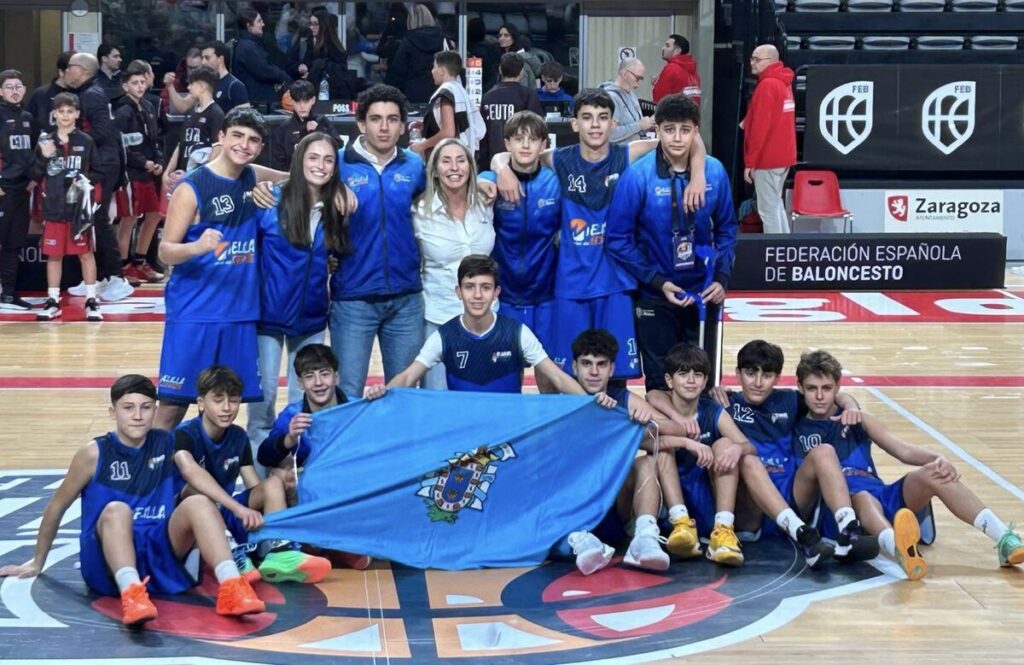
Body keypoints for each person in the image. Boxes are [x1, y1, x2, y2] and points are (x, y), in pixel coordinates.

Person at [0, 375, 265, 625]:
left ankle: (231, 587)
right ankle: (131, 593)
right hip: (105, 557)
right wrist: (37, 561)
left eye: (146, 407)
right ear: (113, 412)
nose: (137, 416)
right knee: (118, 510)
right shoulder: (94, 453)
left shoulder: (167, 442)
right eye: (128, 408)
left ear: (155, 410)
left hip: (156, 549)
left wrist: (236, 507)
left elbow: (192, 471)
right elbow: (57, 507)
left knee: (199, 502)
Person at [492, 89, 705, 383]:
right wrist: (501, 168)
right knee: (566, 376)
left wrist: (699, 175)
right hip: (571, 286)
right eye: (587, 118)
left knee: (614, 374)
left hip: (616, 284)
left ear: (613, 124)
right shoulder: (558, 159)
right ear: (574, 124)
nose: (595, 125)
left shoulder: (627, 154)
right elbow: (508, 154)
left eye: (603, 118)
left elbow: (689, 141)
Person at [794, 349, 1024, 577]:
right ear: (801, 388)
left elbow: (902, 449)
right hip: (842, 516)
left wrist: (937, 459)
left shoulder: (858, 419)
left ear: (837, 387)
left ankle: (1004, 538)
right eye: (812, 389)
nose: (820, 396)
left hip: (880, 494)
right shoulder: (794, 425)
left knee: (934, 473)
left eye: (827, 388)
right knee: (863, 498)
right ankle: (899, 548)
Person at [675, 339, 866, 567]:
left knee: (824, 451)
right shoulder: (723, 402)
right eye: (750, 373)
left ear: (777, 378)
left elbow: (832, 394)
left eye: (766, 375)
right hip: (749, 510)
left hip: (791, 496)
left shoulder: (790, 400)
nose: (757, 382)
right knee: (739, 453)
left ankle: (849, 531)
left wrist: (851, 405)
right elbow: (658, 396)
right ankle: (799, 534)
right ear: (737, 374)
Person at [155, 107, 286, 430]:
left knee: (220, 410)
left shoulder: (252, 175)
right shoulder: (192, 187)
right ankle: (148, 475)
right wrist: (197, 247)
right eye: (238, 136)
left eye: (253, 140)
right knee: (172, 407)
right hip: (195, 313)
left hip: (240, 314)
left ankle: (202, 477)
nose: (245, 145)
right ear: (221, 137)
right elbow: (164, 251)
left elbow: (298, 177)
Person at [605, 94, 735, 391]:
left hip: (703, 293)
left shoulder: (713, 171)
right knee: (660, 381)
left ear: (696, 132)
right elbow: (617, 239)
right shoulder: (637, 176)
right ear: (658, 131)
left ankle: (701, 437)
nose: (677, 138)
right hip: (655, 295)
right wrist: (656, 280)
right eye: (669, 129)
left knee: (702, 381)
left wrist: (722, 277)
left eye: (685, 130)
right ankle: (666, 436)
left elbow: (727, 228)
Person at [174, 365, 332, 584]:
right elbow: (190, 472)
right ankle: (230, 555)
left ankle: (278, 551)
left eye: (234, 400)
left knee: (273, 483)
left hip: (226, 512)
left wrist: (266, 510)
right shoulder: (183, 435)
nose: (227, 408)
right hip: (190, 523)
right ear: (201, 403)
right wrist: (238, 508)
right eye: (218, 400)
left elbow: (255, 486)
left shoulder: (238, 436)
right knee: (197, 491)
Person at [327, 84, 426, 399]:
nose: (384, 127)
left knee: (404, 395)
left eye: (392, 119)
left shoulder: (415, 165)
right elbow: (297, 188)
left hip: (406, 299)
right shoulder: (336, 164)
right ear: (361, 123)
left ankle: (405, 450)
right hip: (353, 299)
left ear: (402, 125)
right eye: (376, 119)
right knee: (348, 393)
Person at [249, 132, 347, 445]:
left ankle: (299, 481)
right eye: (314, 157)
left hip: (311, 317)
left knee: (304, 406)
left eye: (328, 159)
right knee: (261, 407)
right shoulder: (270, 200)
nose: (321, 165)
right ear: (300, 160)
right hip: (267, 317)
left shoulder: (335, 206)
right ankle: (262, 485)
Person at [372, 254, 590, 395]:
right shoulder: (444, 336)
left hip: (508, 436)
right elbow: (408, 376)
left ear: (496, 293)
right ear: (458, 292)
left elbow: (558, 378)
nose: (477, 295)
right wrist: (382, 391)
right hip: (465, 439)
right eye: (469, 287)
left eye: (485, 287)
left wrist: (593, 402)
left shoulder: (518, 333)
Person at [257, 344, 372, 571]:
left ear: (336, 377)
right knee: (280, 475)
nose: (318, 383)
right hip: (309, 498)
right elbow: (265, 455)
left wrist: (379, 403)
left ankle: (323, 544)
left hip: (344, 496)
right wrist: (288, 438)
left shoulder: (355, 410)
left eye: (324, 374)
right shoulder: (293, 414)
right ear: (300, 383)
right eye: (309, 376)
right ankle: (286, 547)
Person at [647, 342, 750, 566]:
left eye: (698, 374)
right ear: (669, 380)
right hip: (668, 493)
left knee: (725, 443)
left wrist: (737, 447)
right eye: (683, 374)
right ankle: (680, 522)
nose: (691, 380)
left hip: (704, 492)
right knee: (661, 447)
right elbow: (645, 441)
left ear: (705, 381)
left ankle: (723, 530)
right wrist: (685, 442)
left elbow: (747, 444)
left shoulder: (712, 410)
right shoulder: (657, 407)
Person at [485, 111, 560, 387]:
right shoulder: (490, 181)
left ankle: (549, 430)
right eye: (518, 139)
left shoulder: (556, 182)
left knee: (549, 375)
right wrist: (499, 169)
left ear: (543, 144)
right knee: (506, 378)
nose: (526, 145)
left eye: (533, 139)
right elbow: (479, 180)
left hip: (547, 295)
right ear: (507, 144)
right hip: (506, 297)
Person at [413, 138, 495, 389]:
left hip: (486, 321)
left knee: (482, 401)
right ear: (435, 170)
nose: (454, 167)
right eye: (445, 161)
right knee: (437, 401)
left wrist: (491, 175)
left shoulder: (486, 204)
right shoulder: (418, 212)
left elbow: (505, 164)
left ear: (471, 167)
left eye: (461, 160)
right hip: (438, 318)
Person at [63, 52, 134, 303]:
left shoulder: (91, 95)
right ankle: (101, 277)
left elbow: (104, 132)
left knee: (98, 219)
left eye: (69, 67)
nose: (65, 71)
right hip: (102, 162)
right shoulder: (90, 92)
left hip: (103, 165)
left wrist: (73, 138)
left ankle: (117, 278)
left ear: (82, 70)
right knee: (93, 220)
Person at [32, 92, 101, 321]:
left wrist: (83, 179)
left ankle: (92, 300)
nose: (65, 115)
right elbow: (34, 174)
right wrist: (44, 157)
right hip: (53, 207)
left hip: (79, 210)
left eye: (70, 111)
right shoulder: (45, 140)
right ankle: (53, 300)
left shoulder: (86, 141)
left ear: (77, 114)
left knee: (85, 254)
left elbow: (100, 172)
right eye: (61, 111)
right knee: (54, 255)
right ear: (54, 114)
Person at [114, 62, 165, 285]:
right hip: (131, 174)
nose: (140, 86)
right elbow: (123, 146)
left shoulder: (150, 106)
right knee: (129, 219)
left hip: (149, 171)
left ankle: (140, 261)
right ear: (125, 87)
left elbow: (156, 139)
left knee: (154, 215)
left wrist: (159, 161)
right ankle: (122, 267)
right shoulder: (123, 111)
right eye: (134, 83)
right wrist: (144, 163)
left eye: (143, 82)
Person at [741, 44, 796, 234]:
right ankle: (785, 250)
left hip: (768, 158)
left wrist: (750, 162)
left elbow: (761, 128)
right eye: (751, 59)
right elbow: (772, 116)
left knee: (767, 210)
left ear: (771, 61)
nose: (752, 63)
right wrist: (748, 120)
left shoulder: (767, 85)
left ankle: (774, 253)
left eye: (757, 60)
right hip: (783, 156)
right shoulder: (783, 83)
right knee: (776, 204)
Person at [162, 66, 224, 201]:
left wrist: (193, 175)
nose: (188, 88)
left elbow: (217, 153)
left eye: (191, 84)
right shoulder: (192, 112)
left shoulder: (216, 114)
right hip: (183, 177)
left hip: (201, 182)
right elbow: (181, 144)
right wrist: (167, 173)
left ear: (202, 87)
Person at [0, 69, 35, 310]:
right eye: (9, 87)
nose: (14, 91)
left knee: (14, 243)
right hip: (3, 188)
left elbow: (34, 152)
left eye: (18, 86)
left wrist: (34, 178)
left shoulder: (28, 118)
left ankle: (9, 294)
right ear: (1, 91)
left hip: (23, 189)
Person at [413, 51, 484, 159]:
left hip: (449, 155)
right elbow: (458, 122)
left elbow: (449, 132)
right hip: (464, 152)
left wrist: (423, 145)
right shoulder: (461, 91)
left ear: (441, 70)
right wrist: (429, 124)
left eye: (434, 67)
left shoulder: (446, 93)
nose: (432, 71)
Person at [478, 53, 543, 170]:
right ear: (521, 72)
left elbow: (481, 134)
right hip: (521, 161)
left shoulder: (487, 97)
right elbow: (538, 128)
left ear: (500, 70)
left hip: (491, 162)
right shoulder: (527, 95)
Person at [384, 4, 451, 104]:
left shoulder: (407, 41)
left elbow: (398, 70)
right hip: (440, 91)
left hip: (413, 93)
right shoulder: (442, 38)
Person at [270, 79, 339, 171]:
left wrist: (320, 130)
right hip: (292, 179)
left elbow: (338, 145)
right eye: (298, 102)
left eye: (306, 101)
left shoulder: (322, 121)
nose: (302, 106)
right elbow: (278, 165)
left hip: (320, 174)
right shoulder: (284, 128)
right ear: (292, 102)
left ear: (313, 100)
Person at [232, 8, 292, 106]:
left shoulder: (250, 45)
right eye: (259, 21)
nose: (263, 24)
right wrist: (284, 77)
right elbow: (265, 70)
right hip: (257, 102)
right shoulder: (248, 47)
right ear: (249, 26)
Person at [296, 8, 356, 100]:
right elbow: (303, 62)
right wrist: (302, 66)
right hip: (311, 92)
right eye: (311, 24)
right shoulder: (308, 43)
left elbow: (339, 73)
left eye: (316, 24)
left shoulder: (334, 47)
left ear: (324, 26)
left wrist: (314, 70)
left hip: (331, 94)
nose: (311, 27)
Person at [600, 58, 652, 145]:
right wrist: (639, 125)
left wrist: (648, 123)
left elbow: (638, 124)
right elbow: (609, 134)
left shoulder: (631, 94)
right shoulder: (611, 98)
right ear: (625, 74)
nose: (640, 82)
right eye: (638, 78)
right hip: (619, 154)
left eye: (642, 79)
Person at [26, 51, 75, 137]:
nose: (77, 76)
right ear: (61, 72)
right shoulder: (40, 95)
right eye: (72, 73)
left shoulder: (82, 94)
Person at [652, 34, 701, 105]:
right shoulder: (695, 74)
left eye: (667, 46)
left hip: (672, 115)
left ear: (677, 51)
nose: (663, 48)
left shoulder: (671, 69)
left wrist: (656, 85)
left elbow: (659, 100)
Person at [495, 23, 541, 92]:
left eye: (506, 35)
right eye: (500, 35)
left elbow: (523, 87)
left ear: (514, 38)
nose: (502, 38)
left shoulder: (519, 60)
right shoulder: (501, 56)